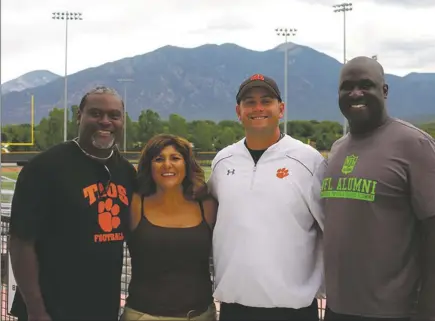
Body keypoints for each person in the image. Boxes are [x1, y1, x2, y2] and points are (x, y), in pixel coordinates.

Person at [321, 56, 435, 321]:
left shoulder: (415, 145)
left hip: (392, 312)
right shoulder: (337, 149)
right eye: (347, 87)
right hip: (337, 309)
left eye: (366, 85)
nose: (355, 93)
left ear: (384, 90)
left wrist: (426, 313)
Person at [9, 86, 137, 321]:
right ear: (79, 116)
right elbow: (20, 243)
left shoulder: (126, 172)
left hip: (102, 308)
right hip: (50, 310)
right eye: (96, 113)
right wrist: (36, 309)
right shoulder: (44, 168)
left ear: (122, 120)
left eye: (114, 116)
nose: (105, 121)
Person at [208, 74, 327, 321]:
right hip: (234, 306)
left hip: (293, 310)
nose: (258, 108)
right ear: (238, 111)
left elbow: (331, 228)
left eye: (266, 100)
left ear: (280, 109)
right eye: (249, 102)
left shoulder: (309, 160)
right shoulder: (222, 161)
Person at [120, 134, 218, 321]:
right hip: (143, 315)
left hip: (200, 316)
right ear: (149, 166)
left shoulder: (206, 206)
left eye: (175, 158)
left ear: (186, 164)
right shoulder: (134, 204)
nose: (167, 165)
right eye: (158, 159)